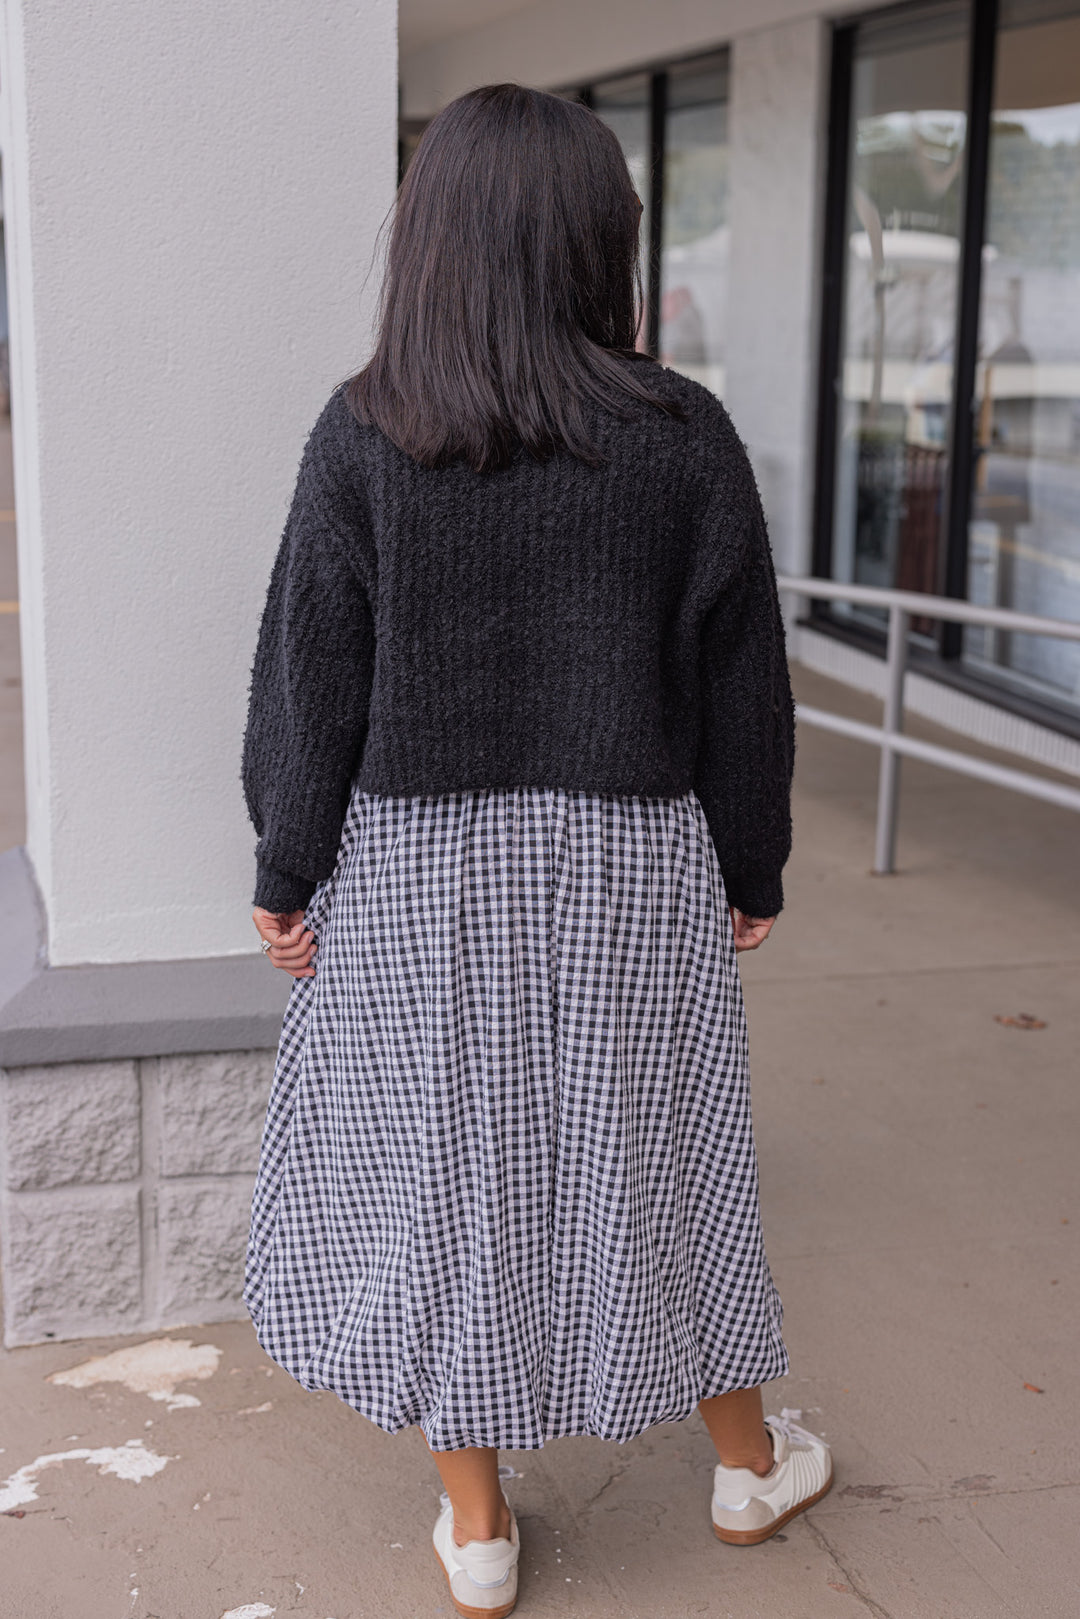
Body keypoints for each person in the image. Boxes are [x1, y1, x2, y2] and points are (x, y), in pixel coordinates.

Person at [240, 82, 832, 1619]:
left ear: (433, 240)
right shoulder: (680, 434)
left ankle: (481, 1531)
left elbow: (315, 676)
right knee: (665, 1159)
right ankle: (749, 1468)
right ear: (600, 243)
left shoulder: (366, 431)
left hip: (418, 870)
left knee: (447, 1169)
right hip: (630, 860)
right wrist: (750, 862)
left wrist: (288, 868)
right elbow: (741, 680)